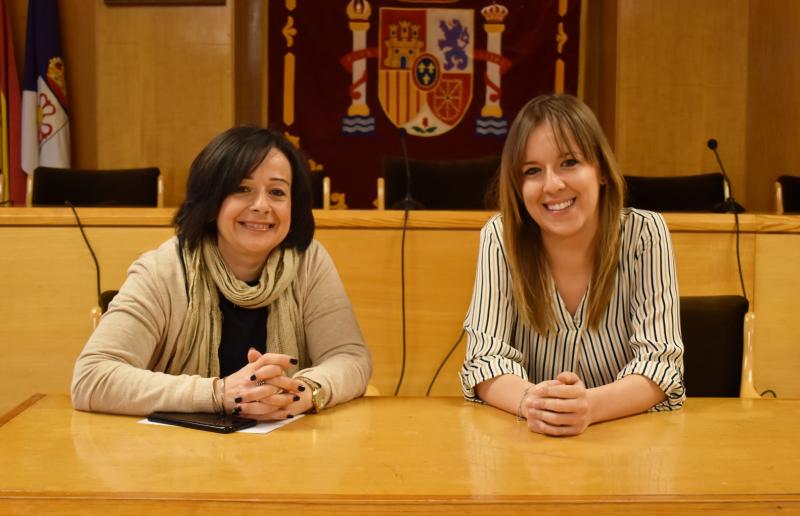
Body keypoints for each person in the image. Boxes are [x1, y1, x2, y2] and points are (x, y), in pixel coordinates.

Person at [72, 126, 371, 420]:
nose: (261, 206)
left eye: (277, 192)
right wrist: (218, 393)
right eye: (242, 189)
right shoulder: (163, 269)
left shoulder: (309, 263)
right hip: (175, 456)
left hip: (287, 450)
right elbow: (92, 377)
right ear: (212, 201)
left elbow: (349, 358)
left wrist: (303, 391)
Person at [460, 94, 684, 436]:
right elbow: (483, 361)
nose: (552, 185)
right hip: (528, 446)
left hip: (630, 442)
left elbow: (661, 365)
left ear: (602, 172)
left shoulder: (645, 234)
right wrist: (533, 402)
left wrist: (588, 408)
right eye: (532, 171)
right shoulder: (500, 237)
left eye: (569, 163)